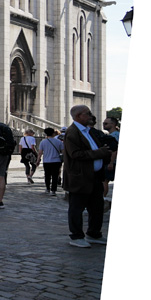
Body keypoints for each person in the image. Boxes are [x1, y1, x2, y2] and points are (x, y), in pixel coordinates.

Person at [63, 104, 114, 247]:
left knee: (96, 207)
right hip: (80, 177)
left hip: (94, 175)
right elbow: (75, 154)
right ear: (79, 116)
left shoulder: (88, 131)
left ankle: (94, 233)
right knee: (77, 208)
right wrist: (100, 153)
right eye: (88, 113)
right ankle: (76, 236)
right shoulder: (72, 132)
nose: (91, 115)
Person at [35, 126, 64, 196]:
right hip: (56, 161)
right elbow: (63, 152)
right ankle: (53, 190)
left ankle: (47, 188)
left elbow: (40, 153)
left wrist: (38, 161)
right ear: (54, 133)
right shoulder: (58, 142)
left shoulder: (43, 142)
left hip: (46, 161)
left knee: (47, 175)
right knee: (55, 176)